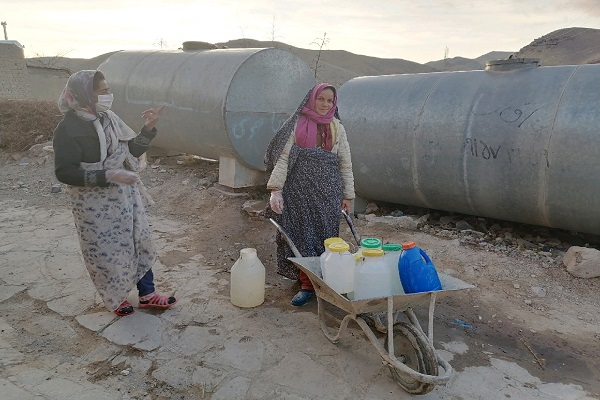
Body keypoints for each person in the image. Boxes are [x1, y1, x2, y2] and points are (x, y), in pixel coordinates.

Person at [52, 70, 176, 316]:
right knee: (106, 251)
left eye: (108, 89)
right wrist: (107, 175)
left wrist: (148, 129)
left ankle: (148, 293)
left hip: (124, 196)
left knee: (136, 240)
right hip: (92, 205)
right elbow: (64, 173)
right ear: (84, 95)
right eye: (103, 91)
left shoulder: (109, 119)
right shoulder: (68, 129)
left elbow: (131, 151)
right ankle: (115, 297)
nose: (109, 95)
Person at [264, 83, 355, 306]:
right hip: (298, 190)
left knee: (326, 235)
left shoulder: (337, 127)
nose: (325, 104)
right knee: (300, 234)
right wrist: (276, 189)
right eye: (321, 99)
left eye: (329, 101)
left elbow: (345, 163)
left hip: (328, 191)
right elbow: (283, 158)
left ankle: (326, 277)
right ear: (311, 99)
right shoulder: (297, 125)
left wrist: (348, 195)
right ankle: (307, 284)